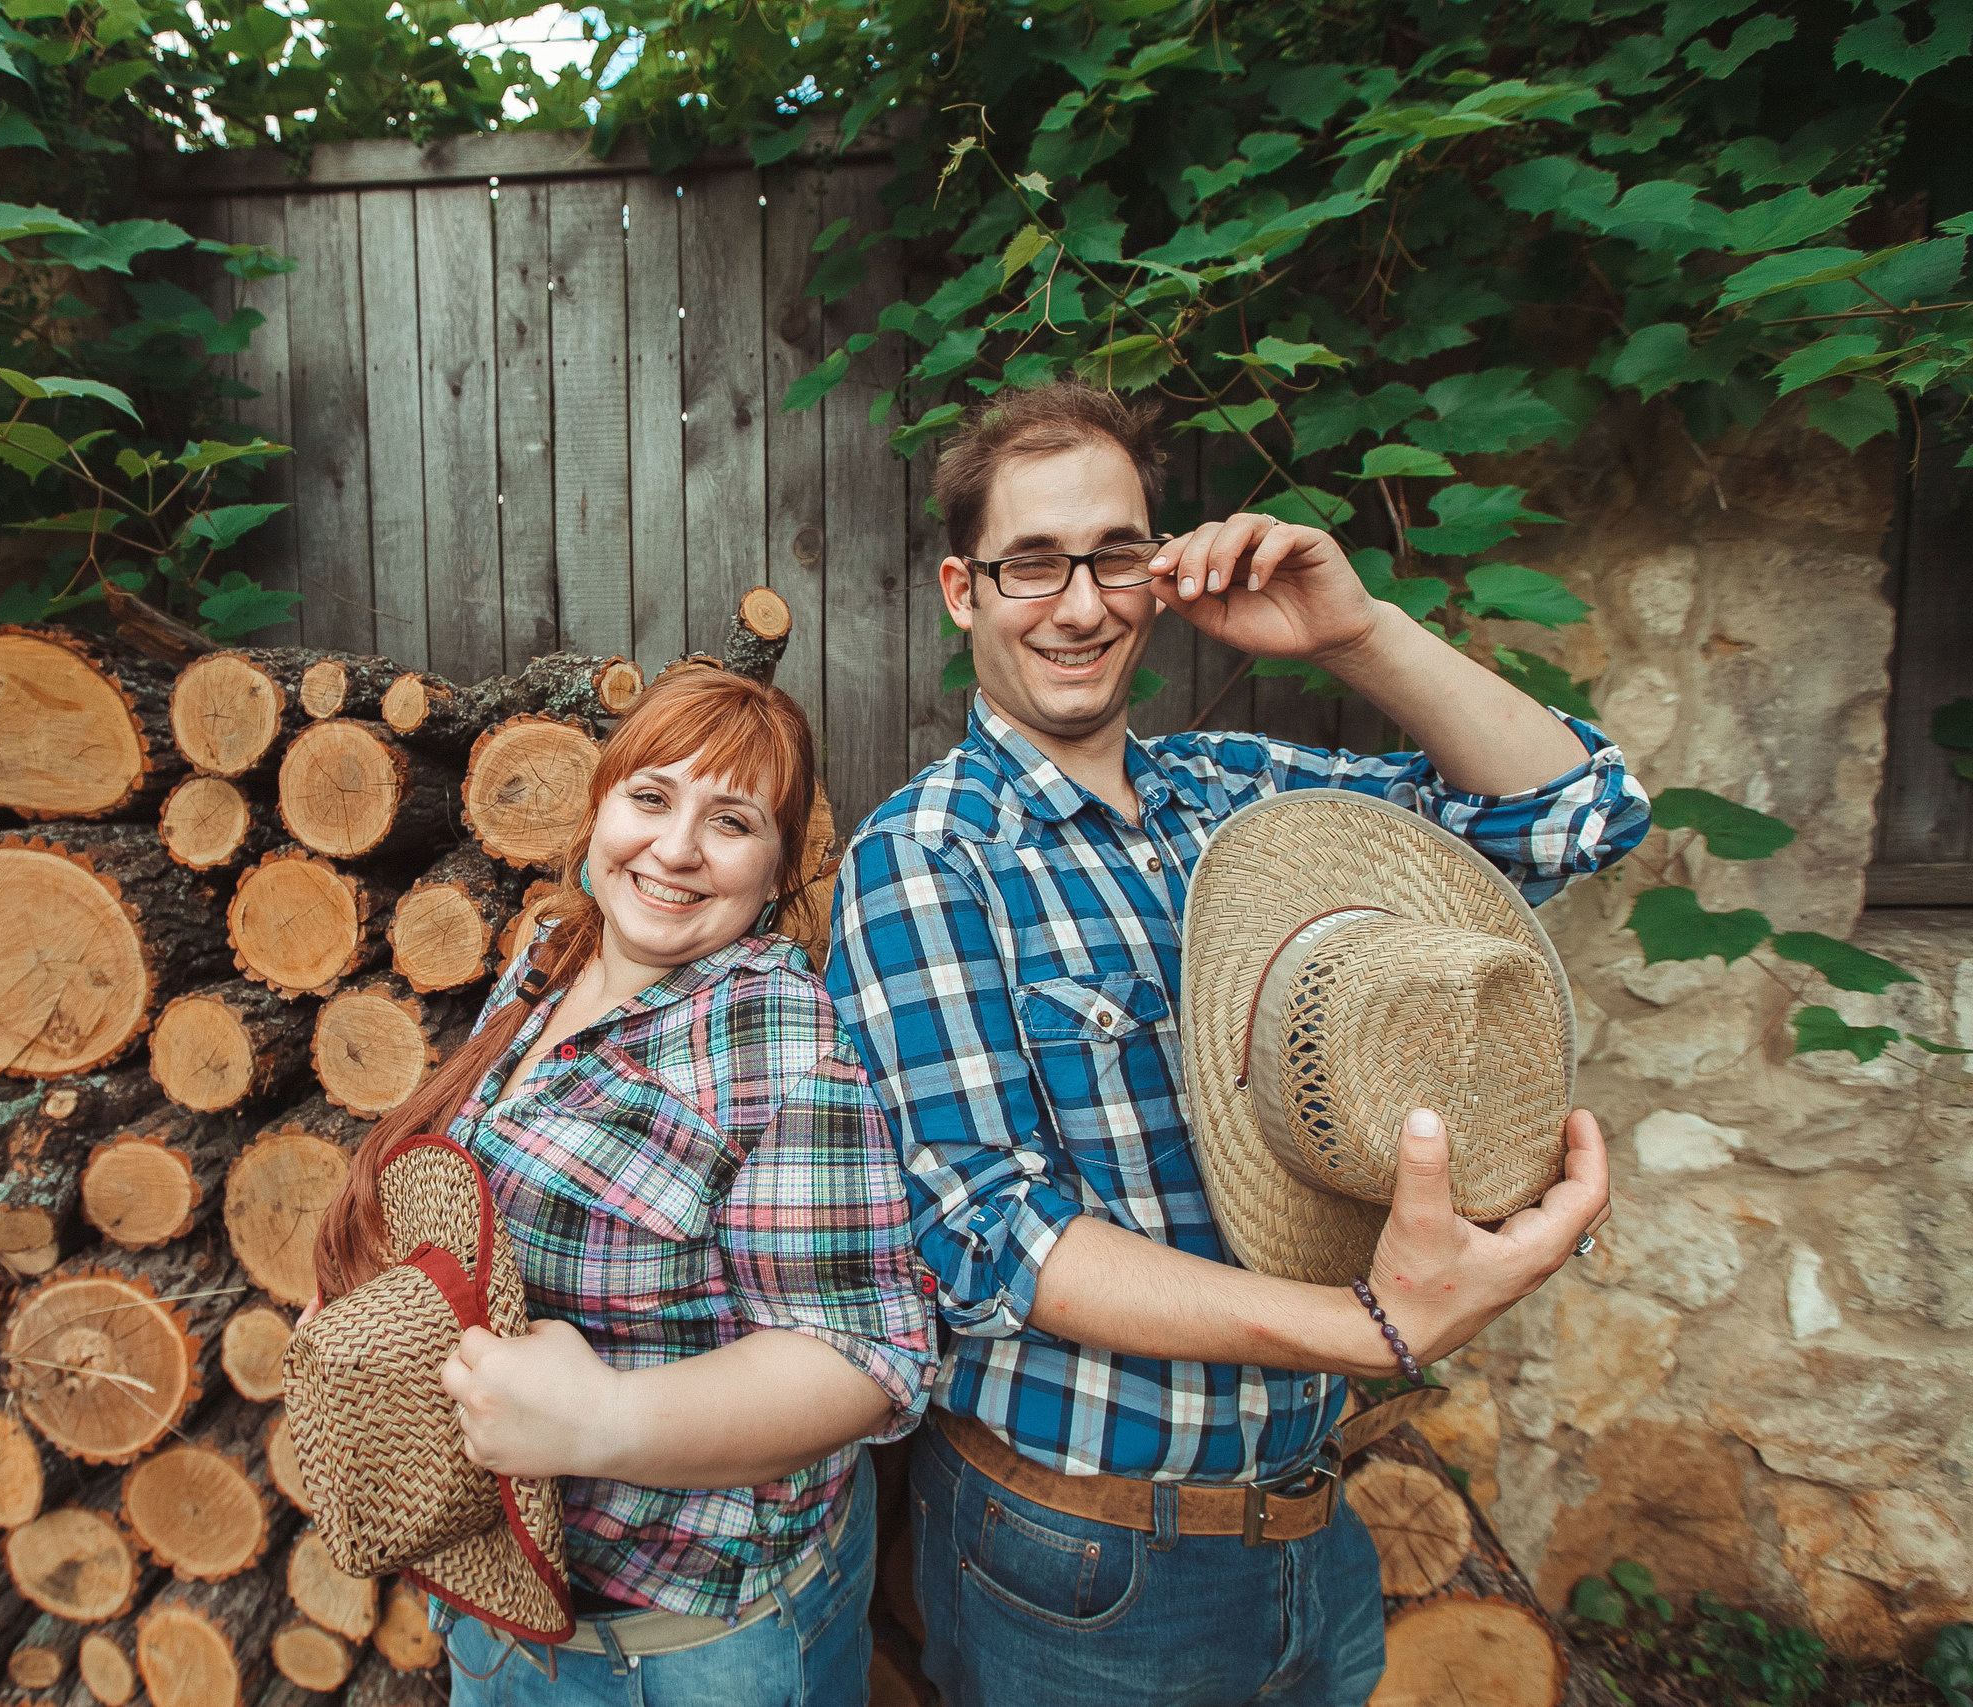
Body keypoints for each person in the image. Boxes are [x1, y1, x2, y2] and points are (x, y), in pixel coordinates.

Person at [822, 381, 1649, 1707]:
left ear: (1159, 571)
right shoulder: (927, 856)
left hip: (1310, 1528)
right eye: (1033, 562)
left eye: (1114, 554)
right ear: (962, 590)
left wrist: (1358, 632)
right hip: (1087, 1559)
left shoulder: (1240, 792)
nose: (1080, 605)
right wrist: (1365, 1330)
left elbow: (1571, 817)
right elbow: (987, 1232)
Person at [314, 665, 937, 1706]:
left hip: (678, 1651)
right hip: (500, 1591)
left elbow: (867, 1358)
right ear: (600, 807)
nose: (676, 847)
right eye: (650, 797)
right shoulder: (550, 957)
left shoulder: (774, 1041)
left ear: (778, 871)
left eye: (731, 822)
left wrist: (607, 1418)